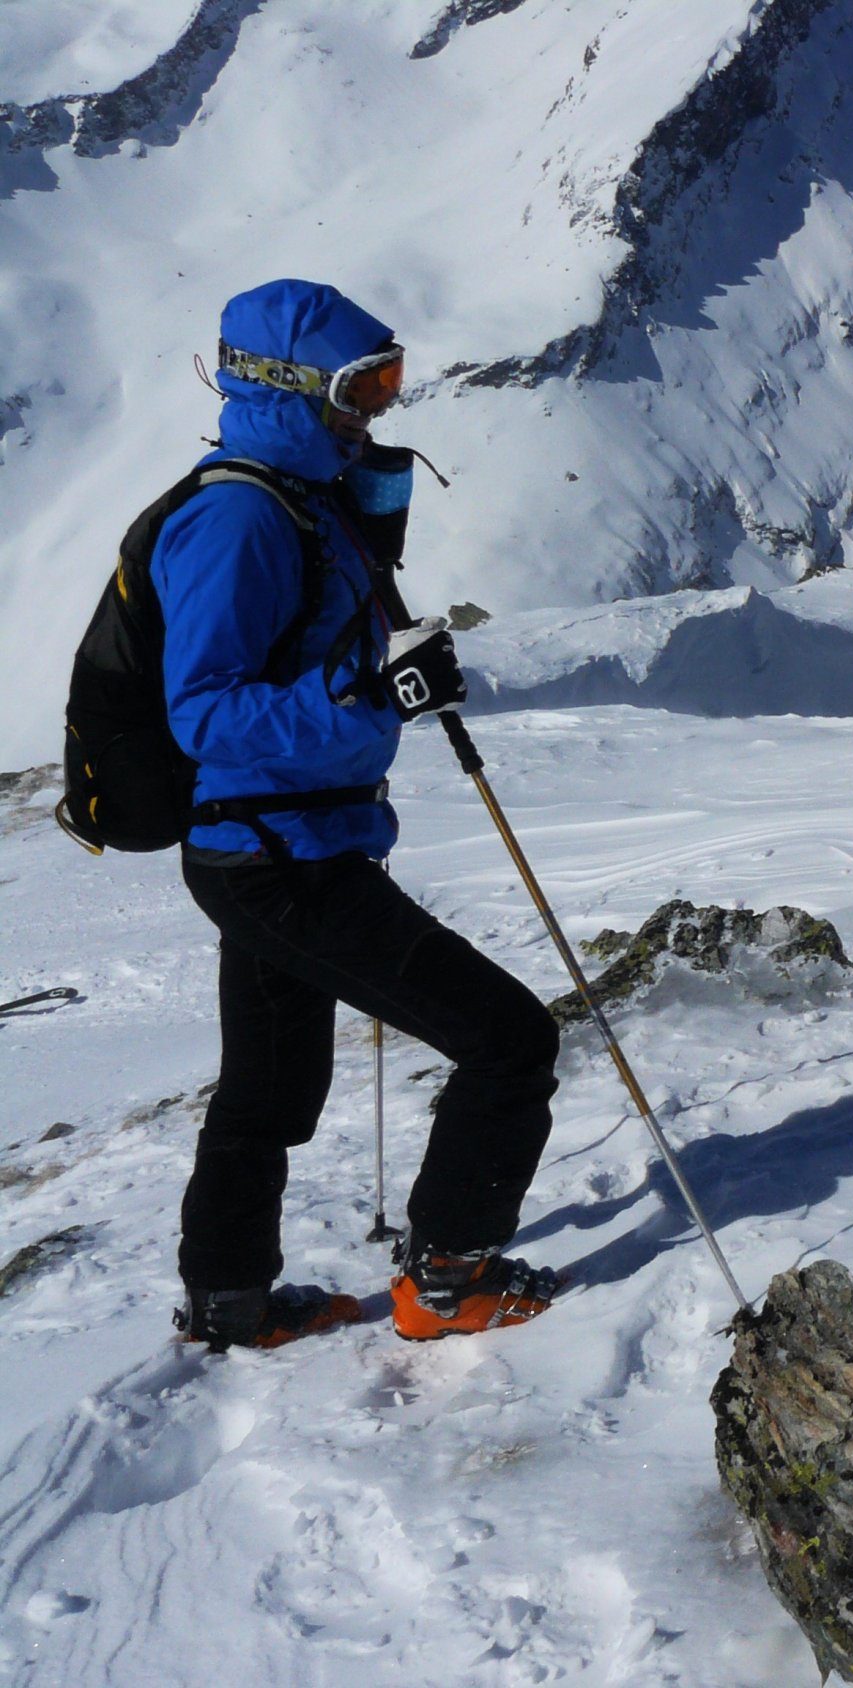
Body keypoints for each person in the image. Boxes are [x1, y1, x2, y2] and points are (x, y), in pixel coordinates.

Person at [161, 278, 562, 1350]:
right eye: (360, 387)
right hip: (278, 857)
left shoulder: (307, 499)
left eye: (388, 382)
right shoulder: (240, 517)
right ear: (286, 386)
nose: (378, 407)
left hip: (284, 842)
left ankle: (230, 1301)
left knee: (269, 1091)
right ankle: (450, 1281)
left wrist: (382, 667)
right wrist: (370, 691)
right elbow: (205, 713)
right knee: (509, 1040)